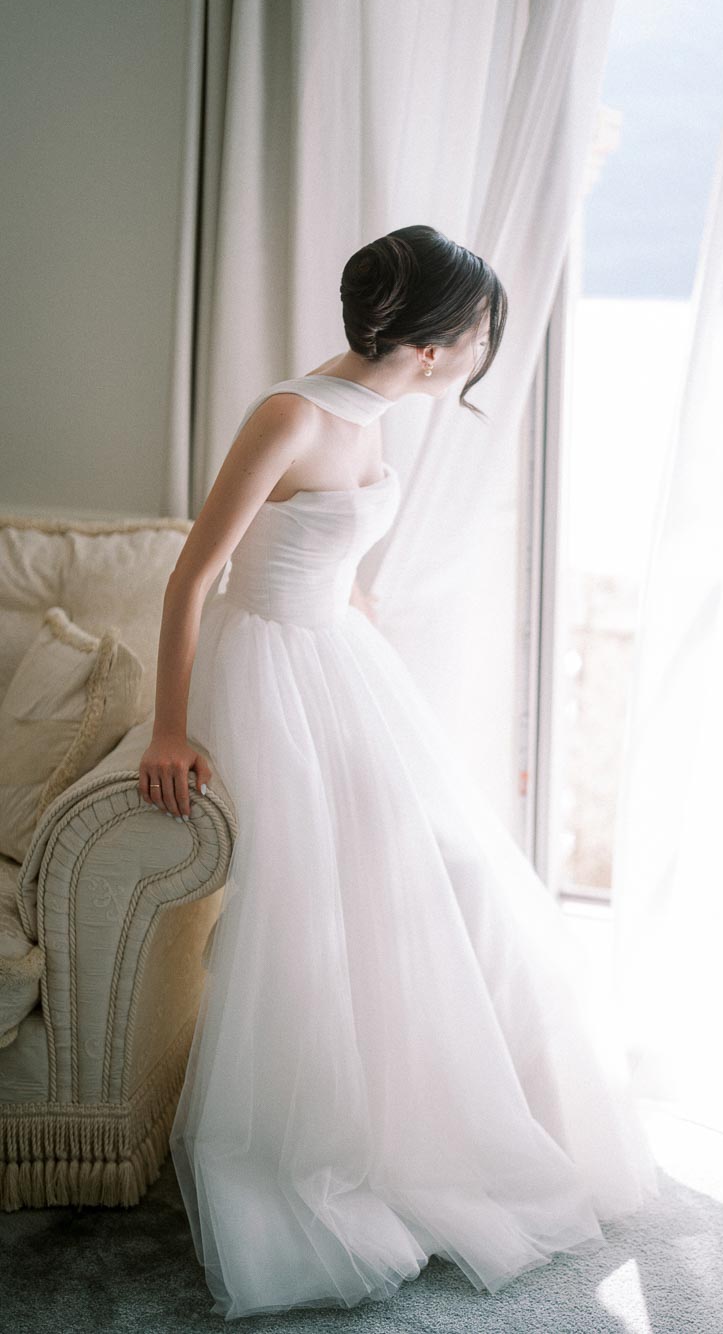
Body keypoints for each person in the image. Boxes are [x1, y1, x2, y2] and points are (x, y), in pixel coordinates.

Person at [139, 225, 659, 1320]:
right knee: (324, 903)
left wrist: (356, 615)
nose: (482, 350)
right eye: (477, 333)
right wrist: (168, 732)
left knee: (447, 870)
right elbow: (193, 580)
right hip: (270, 670)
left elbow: (324, 547)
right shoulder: (290, 416)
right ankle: (340, 1135)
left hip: (335, 654)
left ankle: (447, 1109)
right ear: (431, 347)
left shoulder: (375, 411)